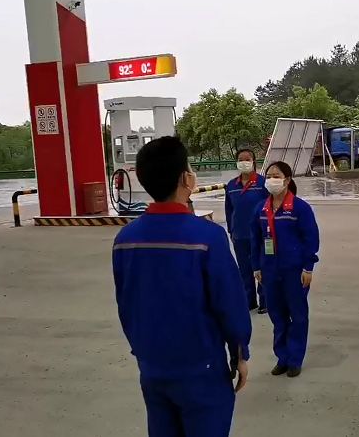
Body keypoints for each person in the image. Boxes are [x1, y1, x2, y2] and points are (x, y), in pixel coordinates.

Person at [112, 136, 251, 436]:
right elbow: (229, 304)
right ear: (186, 179)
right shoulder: (207, 237)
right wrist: (240, 353)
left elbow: (126, 303)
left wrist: (144, 352)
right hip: (201, 369)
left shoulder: (125, 239)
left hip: (152, 368)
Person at [250, 161, 320, 378]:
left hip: (294, 270)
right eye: (269, 176)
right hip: (269, 271)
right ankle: (283, 357)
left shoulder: (300, 208)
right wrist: (256, 267)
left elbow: (311, 239)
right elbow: (255, 240)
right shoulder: (260, 209)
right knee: (277, 315)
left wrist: (308, 268)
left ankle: (295, 359)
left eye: (276, 176)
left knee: (297, 315)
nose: (271, 180)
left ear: (287, 180)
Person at [226, 148, 270, 314]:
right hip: (239, 234)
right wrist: (231, 230)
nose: (244, 162)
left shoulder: (263, 184)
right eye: (240, 159)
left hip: (260, 233)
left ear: (253, 162)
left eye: (247, 159)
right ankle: (248, 301)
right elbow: (229, 210)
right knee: (244, 270)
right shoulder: (231, 185)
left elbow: (270, 207)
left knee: (263, 266)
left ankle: (265, 301)